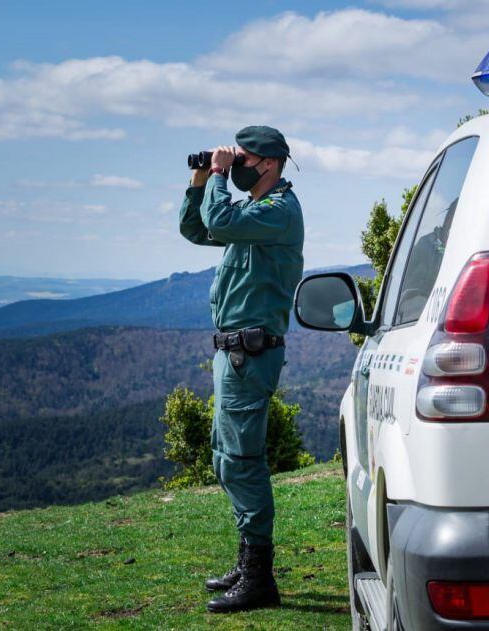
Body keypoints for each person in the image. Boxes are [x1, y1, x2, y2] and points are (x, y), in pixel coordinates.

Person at [178, 125, 304, 613]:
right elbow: (198, 228)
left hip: (249, 356)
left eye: (245, 158)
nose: (237, 164)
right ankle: (246, 561)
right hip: (232, 355)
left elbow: (221, 219)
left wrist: (217, 173)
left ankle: (259, 578)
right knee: (225, 457)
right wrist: (199, 179)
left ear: (269, 163)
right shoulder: (253, 214)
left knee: (243, 462)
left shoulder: (279, 212)